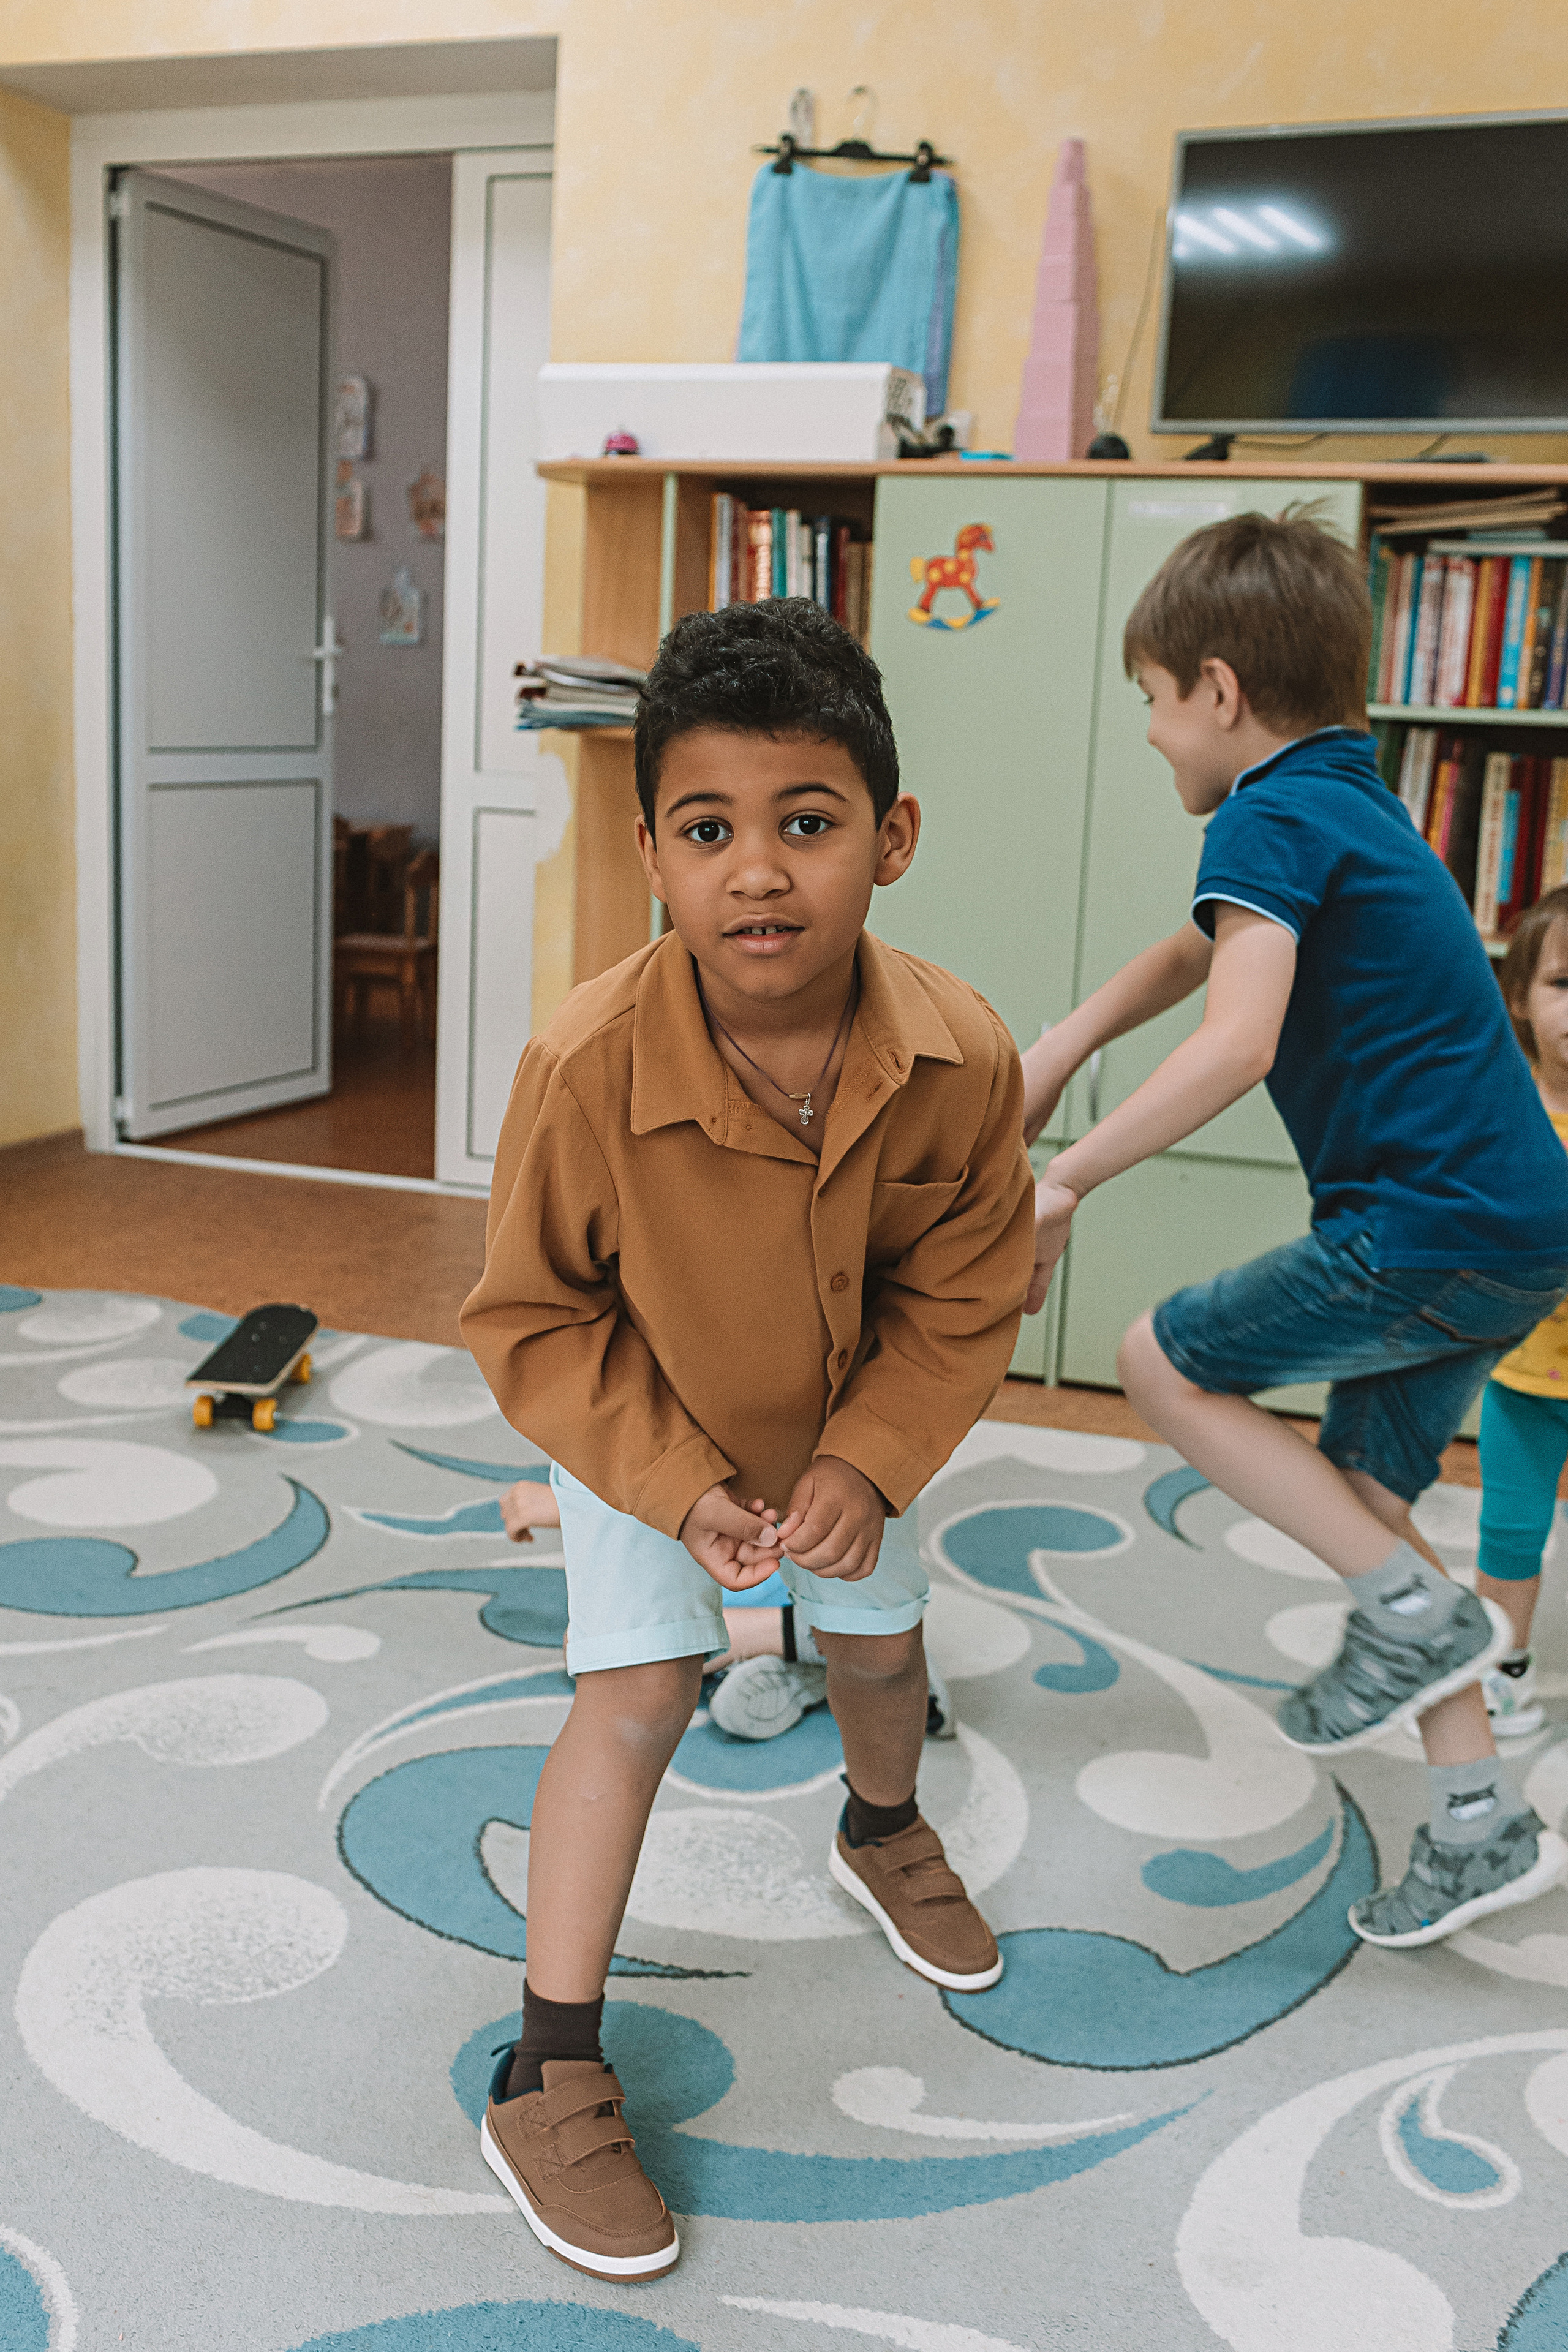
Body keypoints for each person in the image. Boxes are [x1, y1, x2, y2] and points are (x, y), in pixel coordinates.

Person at [461, 598, 1033, 2280]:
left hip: (863, 1422)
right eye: (710, 831)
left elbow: (967, 1292)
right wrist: (676, 1483)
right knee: (636, 1696)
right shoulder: (578, 1061)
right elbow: (535, 1320)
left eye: (808, 823)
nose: (759, 872)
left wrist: (863, 1465)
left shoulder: (964, 1053)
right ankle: (547, 2061)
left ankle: (879, 1829)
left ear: (892, 837)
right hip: (644, 1420)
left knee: (880, 1657)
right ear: (650, 849)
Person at [1019, 509, 1568, 1952]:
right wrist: (1061, 1041)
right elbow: (1196, 942)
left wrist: (1067, 1171)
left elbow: (1235, 1037)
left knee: (1159, 1358)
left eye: (1148, 699)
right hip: (1514, 1228)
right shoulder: (1345, 797)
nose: (1146, 734)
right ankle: (1475, 1821)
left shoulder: (1266, 813)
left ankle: (1407, 1610)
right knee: (1367, 1508)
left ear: (1212, 689)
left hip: (1423, 1224)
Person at [499, 1475, 955, 1739]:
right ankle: (812, 1647)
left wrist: (567, 1507)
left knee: (614, 1648)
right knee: (598, 1648)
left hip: (784, 1557)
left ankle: (819, 1637)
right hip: (731, 1566)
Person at [1464, 888, 1568, 1737]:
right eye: (1566, 983)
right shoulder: (1504, 1115)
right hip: (1524, 1375)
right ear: (1521, 999)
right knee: (1509, 1533)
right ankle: (1502, 1667)